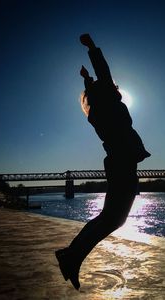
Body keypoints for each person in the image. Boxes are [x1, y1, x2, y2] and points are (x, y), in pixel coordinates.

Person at [55, 34, 150, 290]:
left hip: (119, 161)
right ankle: (71, 257)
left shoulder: (96, 113)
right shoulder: (108, 101)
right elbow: (104, 71)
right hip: (122, 161)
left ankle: (71, 257)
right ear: (106, 91)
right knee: (113, 218)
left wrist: (87, 80)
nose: (114, 86)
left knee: (110, 217)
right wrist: (92, 48)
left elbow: (99, 80)